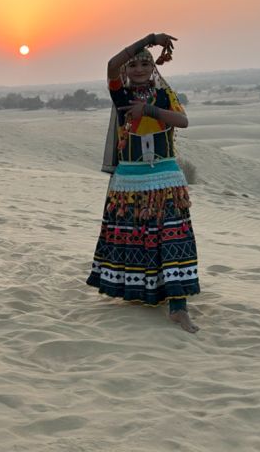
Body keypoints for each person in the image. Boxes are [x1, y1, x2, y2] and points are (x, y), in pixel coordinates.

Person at [86, 33, 201, 333]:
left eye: (144, 64)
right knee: (137, 240)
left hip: (166, 177)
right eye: (133, 64)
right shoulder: (120, 95)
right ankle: (147, 294)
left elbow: (183, 121)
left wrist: (149, 111)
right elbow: (111, 64)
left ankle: (178, 308)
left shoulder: (164, 95)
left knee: (175, 242)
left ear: (153, 69)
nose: (137, 69)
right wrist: (148, 39)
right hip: (131, 182)